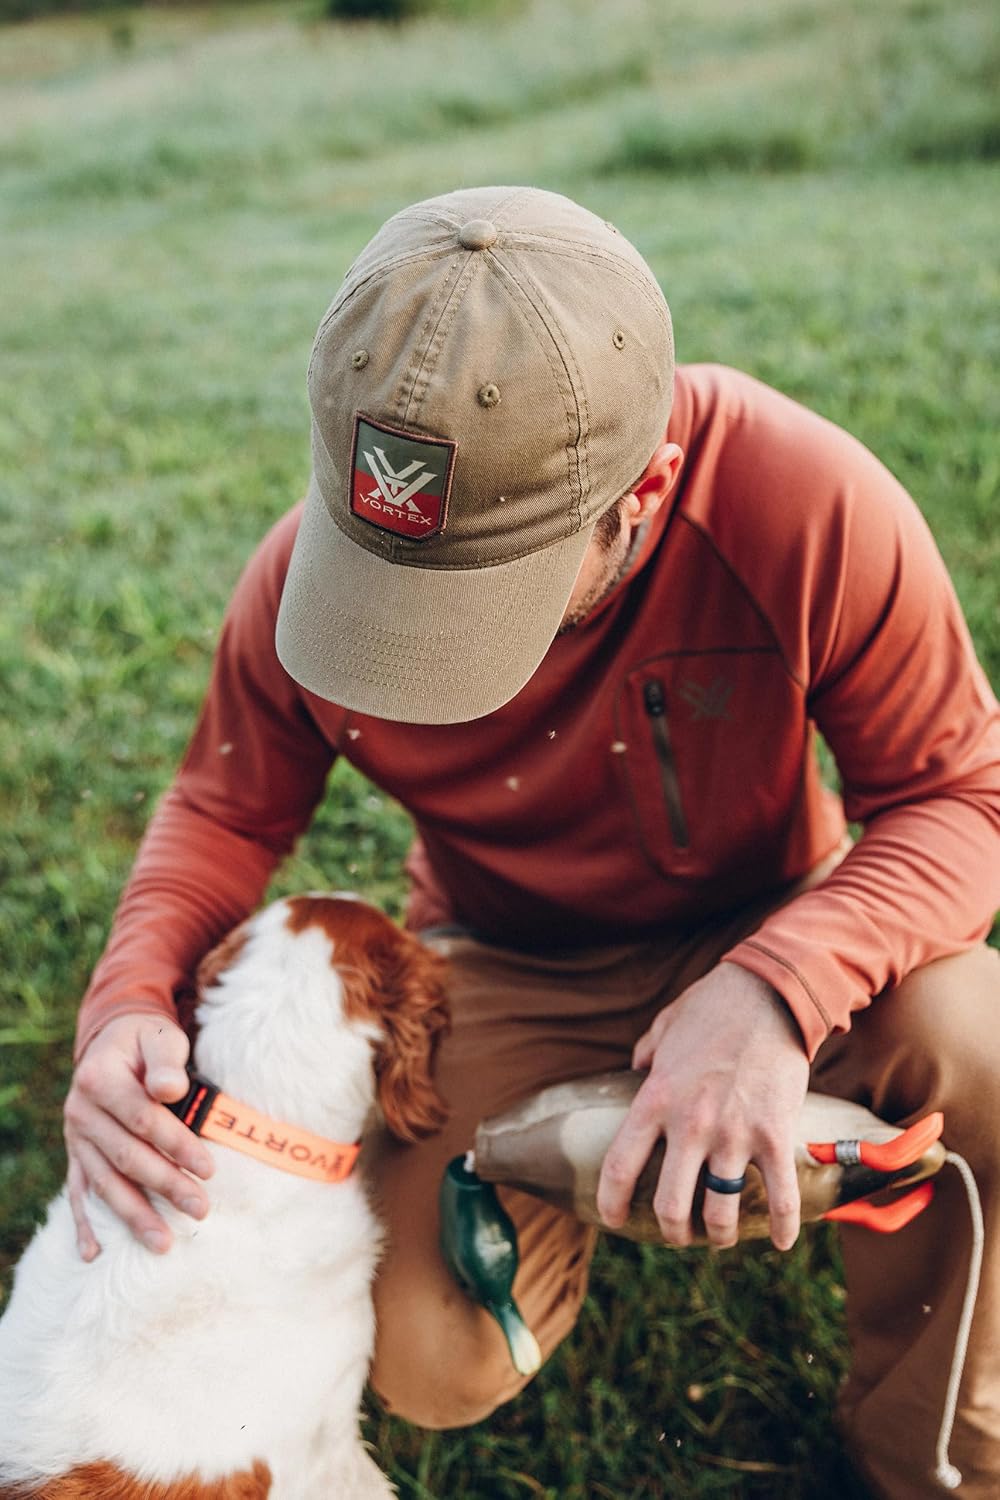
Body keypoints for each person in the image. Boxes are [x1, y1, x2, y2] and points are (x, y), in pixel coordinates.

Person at [63, 187, 1000, 1499]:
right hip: (504, 959)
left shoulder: (805, 502)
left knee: (983, 1049)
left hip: (775, 917)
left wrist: (774, 994)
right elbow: (223, 810)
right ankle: (581, 1164)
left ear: (648, 490)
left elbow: (965, 797)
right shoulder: (298, 580)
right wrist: (123, 1006)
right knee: (428, 1360)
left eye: (485, 589)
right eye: (385, 581)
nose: (415, 646)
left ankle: (928, 1460)